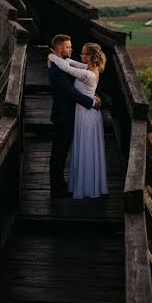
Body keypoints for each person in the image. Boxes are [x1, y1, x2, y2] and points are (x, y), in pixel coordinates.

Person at [48, 42, 108, 199]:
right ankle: (84, 184)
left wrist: (51, 56)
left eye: (82, 53)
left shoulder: (87, 73)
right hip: (83, 114)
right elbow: (70, 63)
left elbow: (68, 68)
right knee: (83, 150)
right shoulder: (87, 68)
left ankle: (86, 186)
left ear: (89, 57)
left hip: (87, 115)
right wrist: (55, 57)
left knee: (86, 151)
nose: (79, 55)